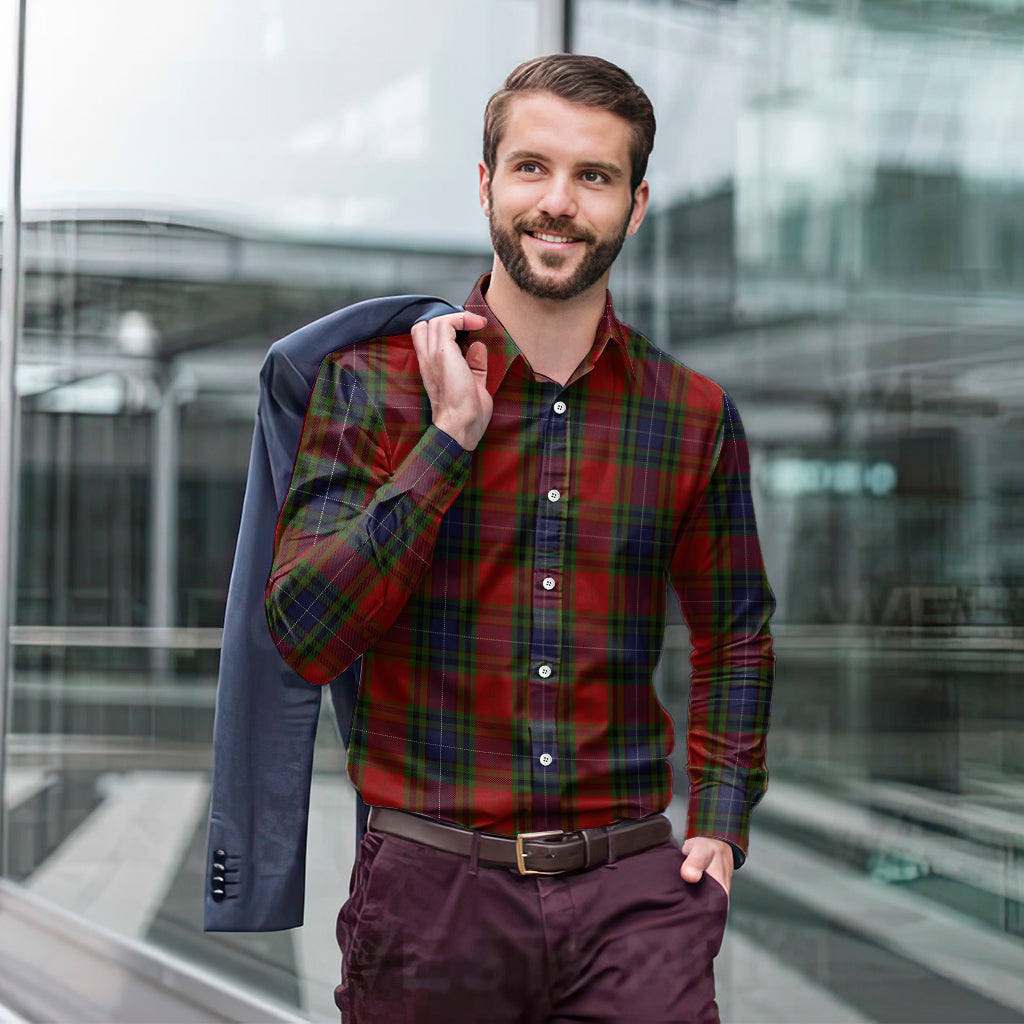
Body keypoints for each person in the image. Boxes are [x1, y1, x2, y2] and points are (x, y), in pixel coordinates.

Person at [265, 53, 775, 1024]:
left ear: (636, 203)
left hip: (634, 898)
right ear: (487, 182)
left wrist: (718, 820)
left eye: (595, 176)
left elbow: (735, 630)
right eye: (532, 167)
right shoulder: (372, 386)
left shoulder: (692, 415)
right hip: (432, 898)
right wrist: (448, 441)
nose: (559, 202)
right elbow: (304, 631)